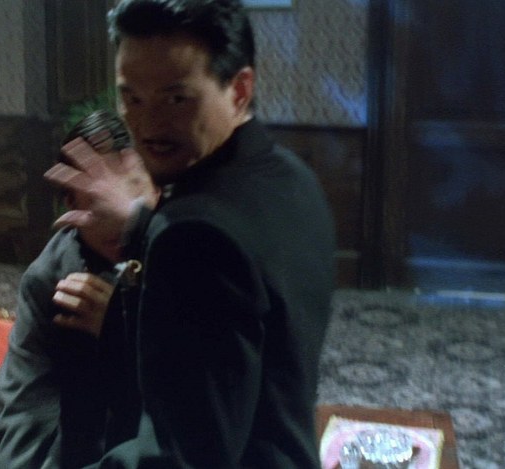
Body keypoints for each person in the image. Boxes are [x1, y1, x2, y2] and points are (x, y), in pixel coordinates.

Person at [44, 1, 336, 467]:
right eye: (132, 98)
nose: (148, 125)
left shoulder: (193, 236)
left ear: (239, 90)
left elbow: (181, 457)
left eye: (176, 99)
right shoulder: (291, 178)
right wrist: (139, 226)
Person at [0, 110, 154, 469]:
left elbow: (190, 406)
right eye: (96, 197)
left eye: (129, 192)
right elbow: (26, 415)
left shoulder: (181, 255)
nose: (113, 216)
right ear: (70, 203)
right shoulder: (51, 279)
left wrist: (121, 323)